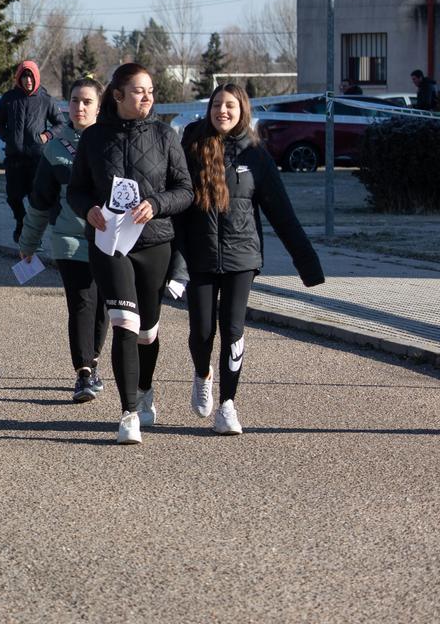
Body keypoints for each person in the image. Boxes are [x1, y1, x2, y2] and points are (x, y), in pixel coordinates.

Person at [173, 84, 324, 435]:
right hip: (201, 256)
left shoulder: (256, 155)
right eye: (216, 105)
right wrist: (176, 262)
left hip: (243, 257)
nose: (222, 111)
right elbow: (177, 207)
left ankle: (228, 405)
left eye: (230, 106)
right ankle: (202, 374)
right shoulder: (192, 147)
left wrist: (308, 265)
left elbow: (282, 213)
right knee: (201, 332)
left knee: (234, 330)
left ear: (242, 111)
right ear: (208, 110)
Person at [67, 63, 193, 445]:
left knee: (147, 330)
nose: (148, 97)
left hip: (154, 242)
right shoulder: (93, 139)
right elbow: (76, 190)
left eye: (151, 90)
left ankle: (145, 387)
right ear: (118, 95)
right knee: (124, 321)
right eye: (139, 90)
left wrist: (156, 203)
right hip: (109, 245)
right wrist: (86, 207)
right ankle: (128, 413)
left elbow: (185, 189)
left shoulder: (165, 135)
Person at [18, 78, 107, 402]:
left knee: (102, 309)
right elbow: (40, 199)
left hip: (110, 242)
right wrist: (29, 243)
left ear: (99, 106)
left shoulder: (111, 142)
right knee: (82, 303)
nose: (79, 107)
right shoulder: (55, 148)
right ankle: (83, 373)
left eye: (86, 102)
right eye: (73, 101)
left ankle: (93, 361)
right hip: (70, 240)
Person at [0, 60, 62, 243]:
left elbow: (60, 123)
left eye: (31, 76)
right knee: (13, 197)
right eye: (24, 76)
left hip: (37, 158)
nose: (28, 80)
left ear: (36, 77)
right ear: (19, 78)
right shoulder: (9, 98)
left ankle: (31, 233)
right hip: (14, 158)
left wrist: (47, 135)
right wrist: (7, 137)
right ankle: (20, 221)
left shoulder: (46, 99)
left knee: (35, 198)